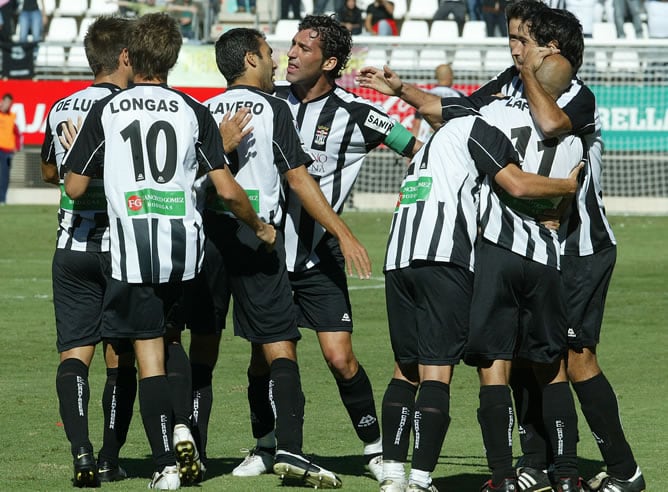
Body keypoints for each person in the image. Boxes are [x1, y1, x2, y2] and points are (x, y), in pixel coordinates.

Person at [358, 2, 646, 490]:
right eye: (511, 38)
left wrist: (528, 74)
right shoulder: (505, 84)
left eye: (522, 40)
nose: (512, 48)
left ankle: (622, 469)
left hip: (576, 243)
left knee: (572, 360)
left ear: (551, 50)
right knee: (515, 352)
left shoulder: (577, 94)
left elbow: (552, 125)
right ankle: (534, 463)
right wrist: (402, 89)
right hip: (517, 243)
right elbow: (453, 113)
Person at [63, 12, 275, 490]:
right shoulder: (193, 110)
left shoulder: (107, 111)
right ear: (174, 59)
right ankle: (183, 424)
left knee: (147, 355)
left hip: (131, 249)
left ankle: (164, 464)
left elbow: (74, 188)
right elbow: (227, 189)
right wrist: (259, 226)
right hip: (186, 250)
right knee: (173, 337)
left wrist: (93, 159)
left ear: (128, 56)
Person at [230, 14, 421, 483]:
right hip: (267, 255)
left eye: (304, 48)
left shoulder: (358, 114)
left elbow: (417, 148)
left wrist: (421, 194)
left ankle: (375, 448)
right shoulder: (267, 103)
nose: (291, 54)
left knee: (340, 358)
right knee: (264, 357)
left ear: (331, 61)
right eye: (290, 46)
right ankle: (265, 445)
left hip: (317, 258)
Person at [379, 54, 583, 492]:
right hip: (537, 257)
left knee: (460, 368)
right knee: (551, 370)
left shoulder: (481, 116)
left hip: (448, 253)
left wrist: (400, 91)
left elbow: (440, 111)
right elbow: (541, 198)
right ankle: (565, 472)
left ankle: (499, 476)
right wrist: (567, 190)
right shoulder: (573, 137)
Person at [192, 27, 373, 488]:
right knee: (277, 347)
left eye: (295, 49)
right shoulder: (275, 108)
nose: (280, 58)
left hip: (206, 242)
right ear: (252, 60)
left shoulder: (202, 111)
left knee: (202, 348)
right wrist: (344, 232)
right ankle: (284, 447)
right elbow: (298, 180)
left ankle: (187, 446)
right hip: (259, 240)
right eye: (272, 52)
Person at [39, 16, 139, 488]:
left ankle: (80, 452)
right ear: (125, 57)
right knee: (121, 357)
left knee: (73, 357)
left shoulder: (61, 106)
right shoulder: (130, 106)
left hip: (70, 246)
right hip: (120, 250)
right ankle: (110, 457)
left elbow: (48, 173)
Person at [410, 63, 464, 142]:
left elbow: (417, 124)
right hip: (451, 141)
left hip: (428, 142)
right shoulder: (459, 96)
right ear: (450, 76)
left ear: (436, 77)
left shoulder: (425, 96)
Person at [0, 93, 20, 204]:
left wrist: (16, 147)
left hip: (7, 151)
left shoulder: (12, 117)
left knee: (4, 177)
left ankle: (2, 199)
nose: (7, 105)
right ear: (2, 101)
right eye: (6, 102)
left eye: (9, 103)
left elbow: (17, 134)